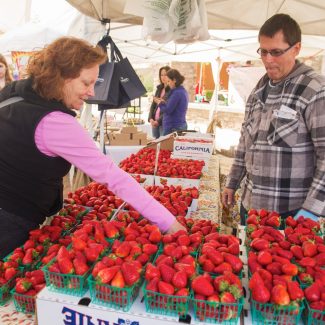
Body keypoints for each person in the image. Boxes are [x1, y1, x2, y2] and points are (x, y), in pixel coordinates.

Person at [0, 36, 186, 258]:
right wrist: (169, 223)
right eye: (86, 83)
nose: (92, 92)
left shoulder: (13, 95)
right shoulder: (54, 121)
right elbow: (112, 176)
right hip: (11, 217)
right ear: (61, 78)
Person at [222, 14, 325, 224]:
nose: (268, 59)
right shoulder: (258, 89)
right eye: (264, 51)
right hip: (250, 206)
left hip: (291, 213)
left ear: (296, 49)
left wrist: (311, 211)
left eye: (276, 52)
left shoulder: (314, 90)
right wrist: (232, 182)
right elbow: (245, 142)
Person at [157, 69, 189, 136]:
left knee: (167, 146)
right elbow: (174, 106)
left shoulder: (177, 93)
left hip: (173, 127)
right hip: (179, 124)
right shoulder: (182, 91)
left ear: (174, 80)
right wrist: (164, 102)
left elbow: (168, 110)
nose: (168, 83)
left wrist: (159, 103)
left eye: (169, 81)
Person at [148, 66, 170, 138]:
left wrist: (158, 121)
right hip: (154, 122)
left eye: (165, 75)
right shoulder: (159, 88)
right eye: (161, 75)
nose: (163, 77)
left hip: (163, 123)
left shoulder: (172, 91)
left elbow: (168, 109)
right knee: (154, 143)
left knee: (162, 145)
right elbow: (153, 105)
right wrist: (151, 118)